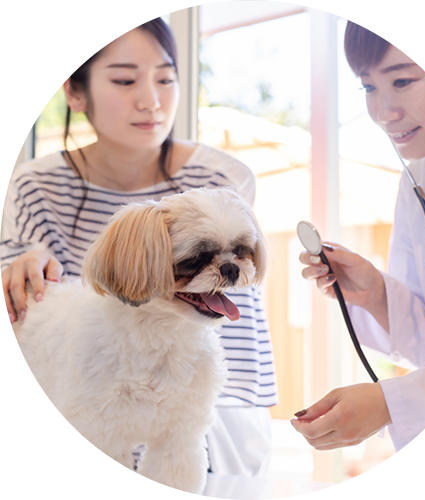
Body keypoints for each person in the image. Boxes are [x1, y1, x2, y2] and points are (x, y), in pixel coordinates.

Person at [0, 0, 276, 494]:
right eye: (125, 80)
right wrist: (19, 264)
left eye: (166, 78)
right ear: (74, 90)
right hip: (86, 405)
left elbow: (237, 329)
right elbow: (19, 307)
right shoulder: (36, 185)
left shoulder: (224, 177)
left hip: (220, 415)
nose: (151, 100)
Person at [292, 0, 425, 490]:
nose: (383, 112)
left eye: (402, 81)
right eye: (369, 86)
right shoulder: (422, 181)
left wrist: (389, 403)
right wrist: (378, 296)